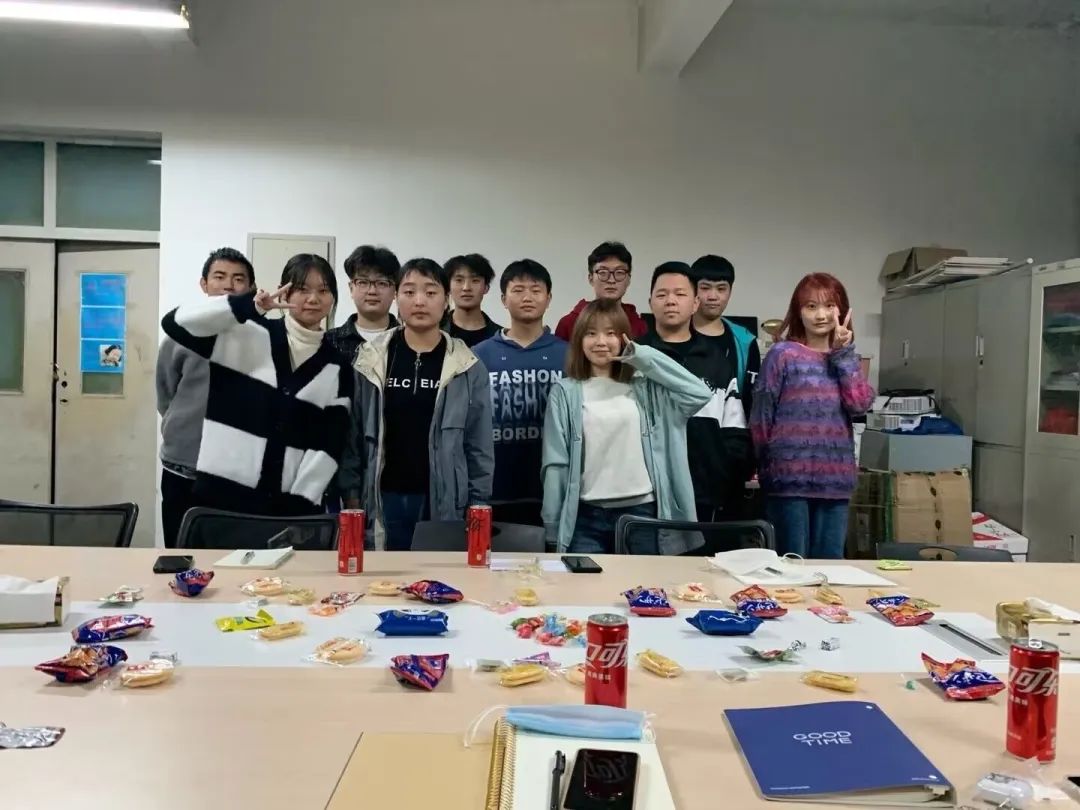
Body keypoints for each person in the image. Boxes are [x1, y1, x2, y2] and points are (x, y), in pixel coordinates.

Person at [160, 253, 351, 517]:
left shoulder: (337, 366)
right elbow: (175, 323)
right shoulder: (245, 333)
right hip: (219, 499)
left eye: (323, 290)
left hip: (285, 509)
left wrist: (301, 502)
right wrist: (249, 307)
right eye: (302, 289)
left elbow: (328, 444)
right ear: (284, 292)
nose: (313, 299)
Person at [340, 258, 494, 550]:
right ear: (396, 297)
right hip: (382, 497)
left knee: (439, 572)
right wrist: (351, 496)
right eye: (409, 292)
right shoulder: (370, 360)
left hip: (444, 498)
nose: (419, 301)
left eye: (431, 292)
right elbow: (354, 436)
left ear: (446, 300)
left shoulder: (467, 366)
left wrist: (478, 503)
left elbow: (479, 445)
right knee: (384, 573)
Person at [542, 300, 711, 555]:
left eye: (611, 333)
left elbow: (699, 393)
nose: (601, 342)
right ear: (579, 340)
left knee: (643, 581)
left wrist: (641, 356)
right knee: (584, 582)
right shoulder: (564, 392)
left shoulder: (647, 386)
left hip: (642, 513)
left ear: (624, 338)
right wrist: (552, 525)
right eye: (591, 333)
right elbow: (556, 462)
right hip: (585, 517)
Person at [750, 272, 875, 559]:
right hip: (787, 480)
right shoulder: (782, 354)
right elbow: (761, 416)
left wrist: (844, 353)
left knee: (830, 566)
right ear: (798, 312)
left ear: (842, 310)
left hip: (835, 481)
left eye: (829, 306)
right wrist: (766, 465)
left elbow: (859, 405)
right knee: (790, 564)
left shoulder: (846, 358)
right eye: (811, 306)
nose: (821, 315)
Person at [639, 262, 755, 523]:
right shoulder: (636, 358)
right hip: (646, 497)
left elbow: (735, 430)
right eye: (662, 294)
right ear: (651, 302)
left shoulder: (716, 361)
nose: (670, 301)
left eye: (680, 294)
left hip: (706, 495)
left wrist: (721, 473)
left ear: (694, 303)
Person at [156, 246, 255, 547]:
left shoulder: (260, 337)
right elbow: (166, 392)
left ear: (251, 287)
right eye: (219, 276)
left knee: (233, 558)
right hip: (184, 466)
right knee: (181, 556)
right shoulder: (182, 332)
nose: (228, 285)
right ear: (204, 284)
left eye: (238, 279)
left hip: (237, 471)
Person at [473, 259, 568, 526]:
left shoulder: (569, 355)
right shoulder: (479, 355)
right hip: (494, 489)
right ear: (504, 299)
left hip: (552, 489)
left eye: (536, 290)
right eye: (518, 290)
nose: (527, 297)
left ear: (548, 298)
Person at [690, 254, 760, 419]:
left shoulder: (745, 341)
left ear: (730, 292)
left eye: (721, 289)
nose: (713, 296)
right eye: (705, 288)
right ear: (692, 289)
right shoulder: (675, 332)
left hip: (731, 430)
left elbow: (751, 399)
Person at [554, 241, 647, 341]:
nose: (611, 280)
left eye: (619, 272)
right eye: (603, 272)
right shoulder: (568, 323)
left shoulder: (639, 326)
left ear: (628, 279)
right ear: (590, 278)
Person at [325, 245, 400, 365]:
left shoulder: (408, 341)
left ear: (395, 291)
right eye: (363, 282)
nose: (372, 291)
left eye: (382, 283)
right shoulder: (329, 341)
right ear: (351, 289)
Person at [442, 253, 501, 347]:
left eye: (475, 281)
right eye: (459, 280)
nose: (466, 288)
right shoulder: (434, 332)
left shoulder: (501, 338)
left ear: (486, 287)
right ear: (448, 287)